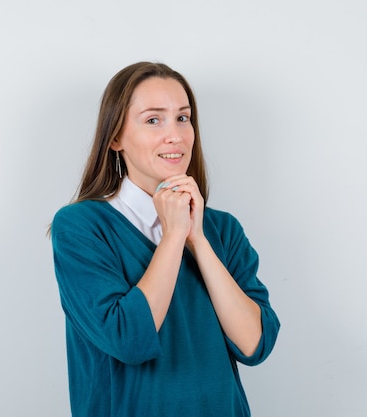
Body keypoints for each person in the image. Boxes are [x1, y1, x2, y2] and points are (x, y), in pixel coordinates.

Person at [50, 62, 280, 417]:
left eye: (183, 118)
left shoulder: (223, 230)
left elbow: (255, 345)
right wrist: (173, 236)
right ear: (115, 138)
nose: (175, 135)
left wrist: (197, 240)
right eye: (153, 120)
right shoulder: (81, 226)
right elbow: (126, 337)